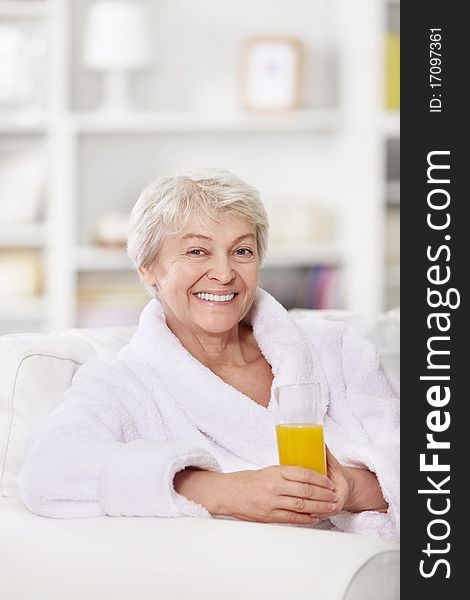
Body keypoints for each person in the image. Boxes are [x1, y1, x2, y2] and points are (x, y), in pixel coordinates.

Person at [18, 167, 399, 540]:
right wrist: (222, 491)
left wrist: (347, 487)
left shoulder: (336, 349)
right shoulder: (122, 383)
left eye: (242, 251)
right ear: (147, 268)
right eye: (197, 251)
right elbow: (49, 470)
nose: (224, 272)